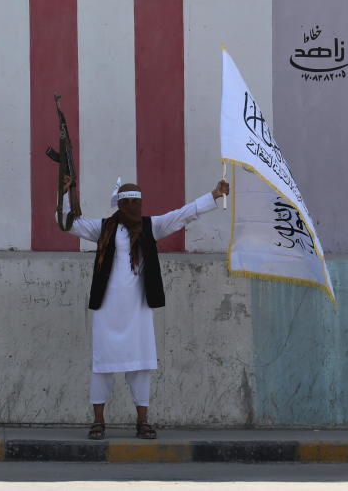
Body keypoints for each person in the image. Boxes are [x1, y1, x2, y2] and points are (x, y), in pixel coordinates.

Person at [58, 174, 229, 440]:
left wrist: (214, 196)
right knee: (102, 364)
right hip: (107, 308)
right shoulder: (103, 229)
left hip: (138, 309)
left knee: (140, 366)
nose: (133, 209)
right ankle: (99, 421)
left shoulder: (152, 226)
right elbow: (69, 225)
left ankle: (142, 422)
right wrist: (66, 193)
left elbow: (182, 215)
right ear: (119, 204)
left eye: (136, 203)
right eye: (128, 203)